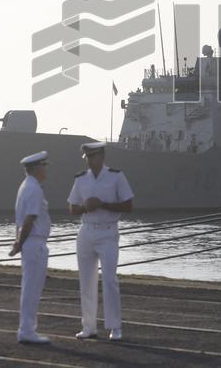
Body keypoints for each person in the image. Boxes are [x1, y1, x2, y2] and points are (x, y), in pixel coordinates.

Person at [68, 141, 134, 342]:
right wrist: (85, 208)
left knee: (109, 280)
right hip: (86, 231)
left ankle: (115, 327)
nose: (89, 160)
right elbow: (72, 208)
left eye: (92, 156)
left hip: (107, 232)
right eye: (87, 157)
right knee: (86, 281)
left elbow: (129, 205)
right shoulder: (81, 179)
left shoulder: (116, 176)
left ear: (101, 157)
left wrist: (103, 204)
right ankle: (88, 327)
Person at [9, 151, 52, 345]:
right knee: (32, 289)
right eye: (44, 165)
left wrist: (18, 241)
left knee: (30, 287)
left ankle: (27, 329)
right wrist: (19, 243)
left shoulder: (24, 187)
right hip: (34, 242)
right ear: (36, 168)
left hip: (30, 242)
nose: (46, 169)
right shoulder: (34, 189)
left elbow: (20, 220)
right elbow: (29, 219)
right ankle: (27, 330)